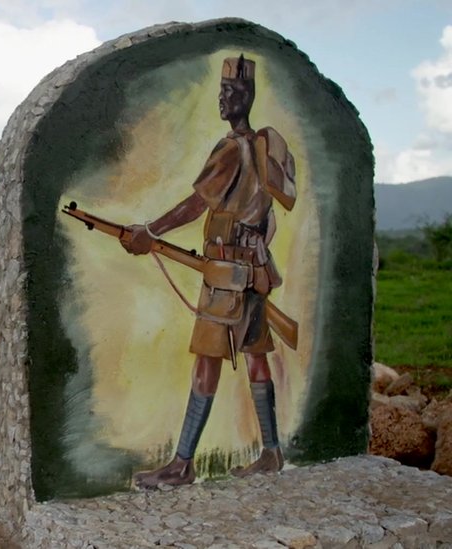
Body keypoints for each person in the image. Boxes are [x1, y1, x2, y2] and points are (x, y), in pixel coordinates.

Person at [122, 55, 297, 488]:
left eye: (233, 92)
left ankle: (182, 464)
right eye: (222, 91)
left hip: (227, 276)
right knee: (256, 357)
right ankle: (272, 454)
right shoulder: (261, 148)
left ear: (248, 97)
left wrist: (150, 230)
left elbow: (197, 203)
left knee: (207, 362)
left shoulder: (233, 148)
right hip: (252, 271)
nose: (225, 98)